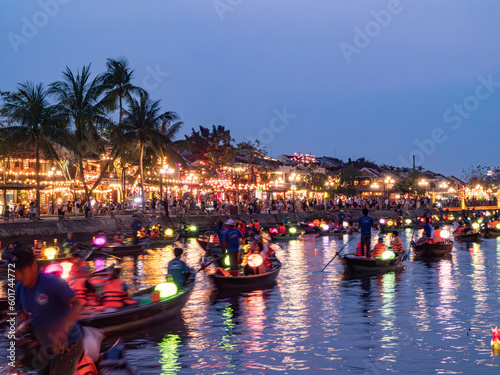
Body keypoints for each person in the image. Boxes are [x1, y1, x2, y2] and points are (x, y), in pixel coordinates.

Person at [10, 245, 84, 374]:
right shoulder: (19, 289)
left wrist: (63, 332)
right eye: (15, 272)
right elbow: (22, 317)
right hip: (45, 346)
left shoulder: (52, 283)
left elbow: (78, 304)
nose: (19, 277)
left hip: (68, 345)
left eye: (22, 271)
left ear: (33, 265)